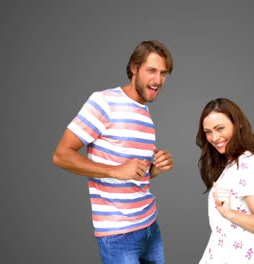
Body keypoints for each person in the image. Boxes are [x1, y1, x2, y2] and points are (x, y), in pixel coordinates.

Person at [53, 40, 174, 264]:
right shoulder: (104, 101)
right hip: (118, 234)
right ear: (134, 69)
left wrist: (154, 169)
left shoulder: (145, 114)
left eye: (163, 73)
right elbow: (61, 155)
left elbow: (133, 177)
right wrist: (116, 171)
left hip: (150, 225)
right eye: (151, 70)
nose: (158, 80)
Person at [196, 98, 254, 264]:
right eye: (208, 132)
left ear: (238, 124)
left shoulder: (247, 163)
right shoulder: (234, 164)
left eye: (220, 128)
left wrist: (229, 214)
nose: (214, 137)